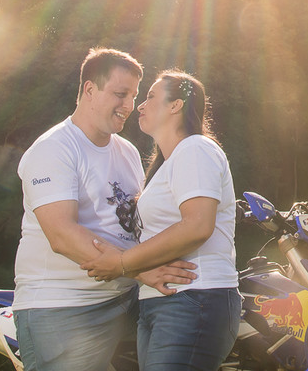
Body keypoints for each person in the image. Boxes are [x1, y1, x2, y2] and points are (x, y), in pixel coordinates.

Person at [13, 48, 196, 371]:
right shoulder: (53, 149)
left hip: (124, 302)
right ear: (89, 90)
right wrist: (141, 270)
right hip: (64, 310)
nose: (130, 106)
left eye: (135, 96)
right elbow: (62, 235)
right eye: (120, 94)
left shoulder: (125, 151)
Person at [81, 70, 240, 371]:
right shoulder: (168, 165)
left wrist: (122, 264)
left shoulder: (196, 149)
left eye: (151, 96)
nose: (139, 105)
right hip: (161, 304)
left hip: (195, 299)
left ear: (176, 105)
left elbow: (197, 226)